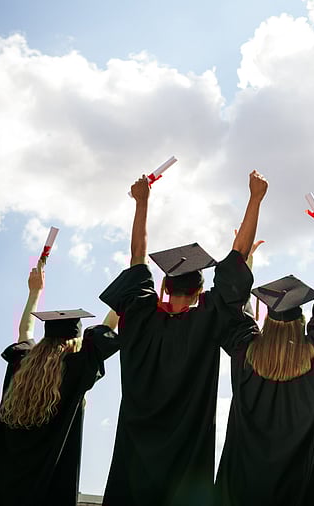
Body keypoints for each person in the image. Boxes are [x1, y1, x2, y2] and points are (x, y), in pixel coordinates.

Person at [100, 170, 267, 506]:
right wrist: (254, 199)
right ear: (200, 291)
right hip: (185, 474)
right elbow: (235, 266)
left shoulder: (138, 319)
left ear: (162, 286)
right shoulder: (207, 320)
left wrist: (142, 202)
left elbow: (136, 256)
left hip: (131, 470)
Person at [214, 225, 314, 506]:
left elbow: (237, 312)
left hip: (243, 489)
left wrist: (245, 262)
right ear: (302, 323)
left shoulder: (245, 354)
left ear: (266, 322)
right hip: (299, 490)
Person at [0, 264, 119, 506]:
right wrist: (127, 289)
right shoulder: (76, 370)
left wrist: (34, 292)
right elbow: (107, 329)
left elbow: (25, 331)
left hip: (4, 490)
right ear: (74, 341)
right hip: (48, 490)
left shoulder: (20, 367)